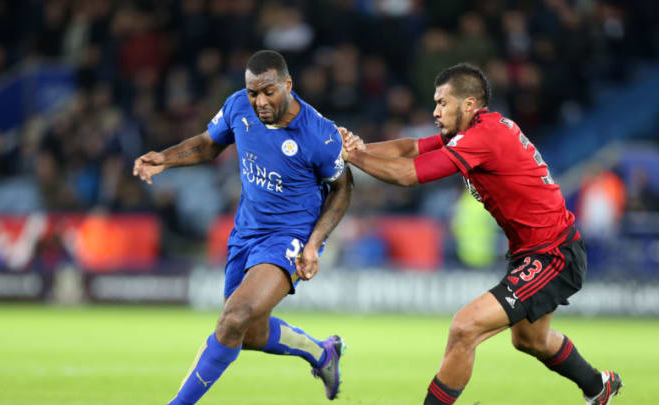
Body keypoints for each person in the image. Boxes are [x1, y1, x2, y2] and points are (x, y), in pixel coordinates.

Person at [339, 63, 622, 405]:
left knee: (465, 327)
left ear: (469, 104)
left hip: (553, 253)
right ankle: (597, 386)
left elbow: (407, 174)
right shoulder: (475, 130)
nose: (435, 110)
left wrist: (353, 156)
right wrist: (359, 147)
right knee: (530, 340)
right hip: (531, 251)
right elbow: (409, 149)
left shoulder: (484, 137)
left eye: (442, 102)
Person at [133, 50, 352, 404]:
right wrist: (165, 158)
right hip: (246, 233)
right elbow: (208, 144)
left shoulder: (319, 134)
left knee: (233, 318)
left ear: (288, 85)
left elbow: (343, 189)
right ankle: (322, 352)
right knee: (247, 333)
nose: (260, 101)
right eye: (253, 92)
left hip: (291, 238)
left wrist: (314, 243)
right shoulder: (238, 107)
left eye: (268, 92)